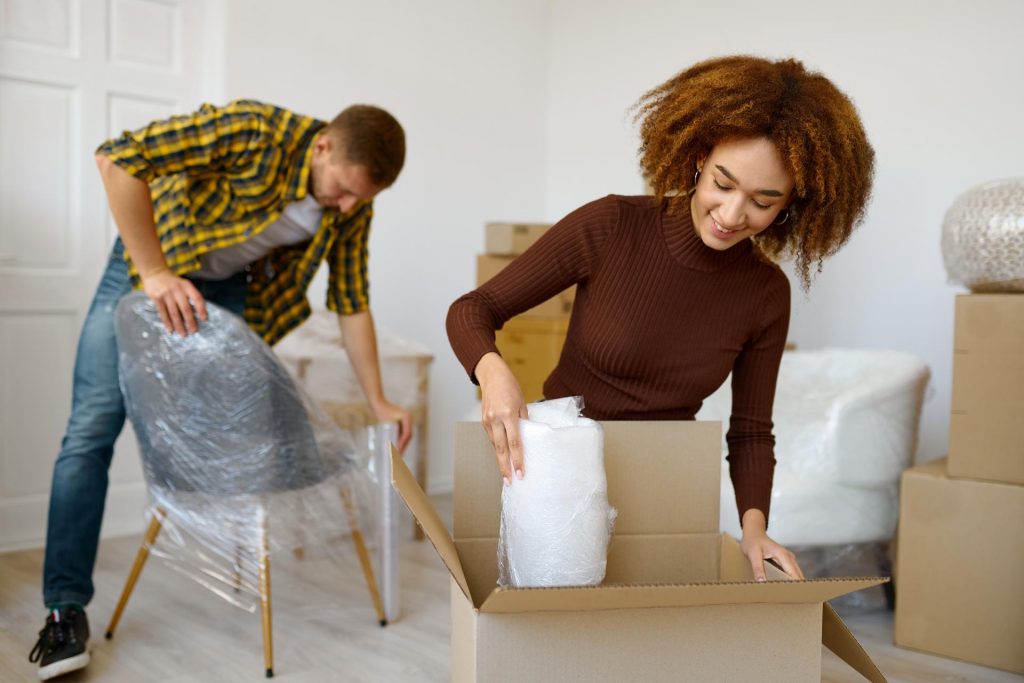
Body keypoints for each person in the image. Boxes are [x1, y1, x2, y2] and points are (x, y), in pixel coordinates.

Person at [447, 55, 874, 585]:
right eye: (723, 183)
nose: (733, 214)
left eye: (763, 201)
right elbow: (472, 310)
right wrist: (492, 374)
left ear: (792, 206)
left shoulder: (765, 293)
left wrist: (755, 529)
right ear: (698, 157)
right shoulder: (612, 226)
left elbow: (750, 433)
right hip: (559, 470)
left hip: (667, 481)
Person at [30, 99, 413, 680]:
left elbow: (351, 302)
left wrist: (380, 400)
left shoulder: (351, 204)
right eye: (343, 191)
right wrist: (156, 273)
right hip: (147, 265)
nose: (348, 207)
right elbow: (118, 160)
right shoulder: (253, 130)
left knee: (221, 440)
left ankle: (225, 571)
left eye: (362, 200)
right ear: (324, 147)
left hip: (229, 294)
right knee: (92, 425)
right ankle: (64, 611)